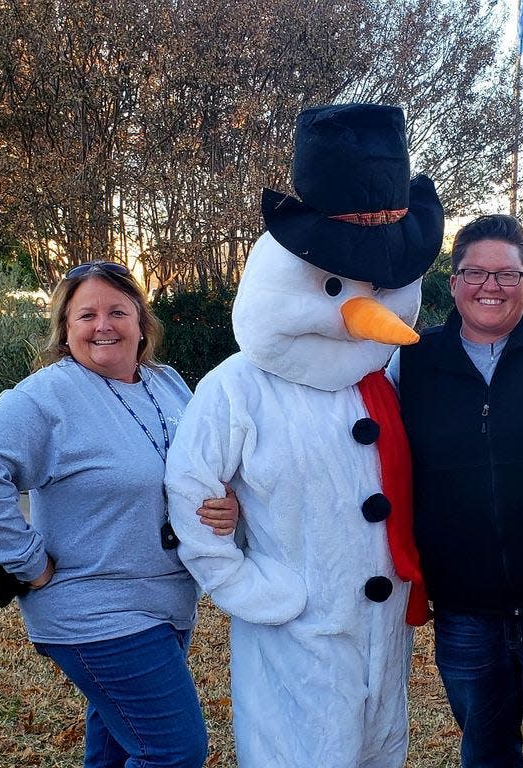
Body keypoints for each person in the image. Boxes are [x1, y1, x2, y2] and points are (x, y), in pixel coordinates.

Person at [167, 103, 442, 767]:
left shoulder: (398, 373)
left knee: (378, 750)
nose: (369, 307)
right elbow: (190, 492)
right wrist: (247, 585)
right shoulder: (239, 388)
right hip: (295, 627)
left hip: (382, 634)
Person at [0, 261, 238, 768]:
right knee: (174, 751)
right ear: (65, 329)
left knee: (119, 748)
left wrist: (223, 503)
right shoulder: (51, 395)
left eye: (118, 311)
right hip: (97, 611)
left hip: (165, 602)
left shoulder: (166, 385)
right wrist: (25, 561)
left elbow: (198, 469)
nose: (103, 326)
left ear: (142, 323)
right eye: (86, 315)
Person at [389, 214, 523, 768]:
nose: (491, 286)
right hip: (464, 606)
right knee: (485, 753)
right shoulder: (411, 359)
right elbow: (338, 431)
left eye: (507, 275)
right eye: (476, 273)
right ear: (454, 280)